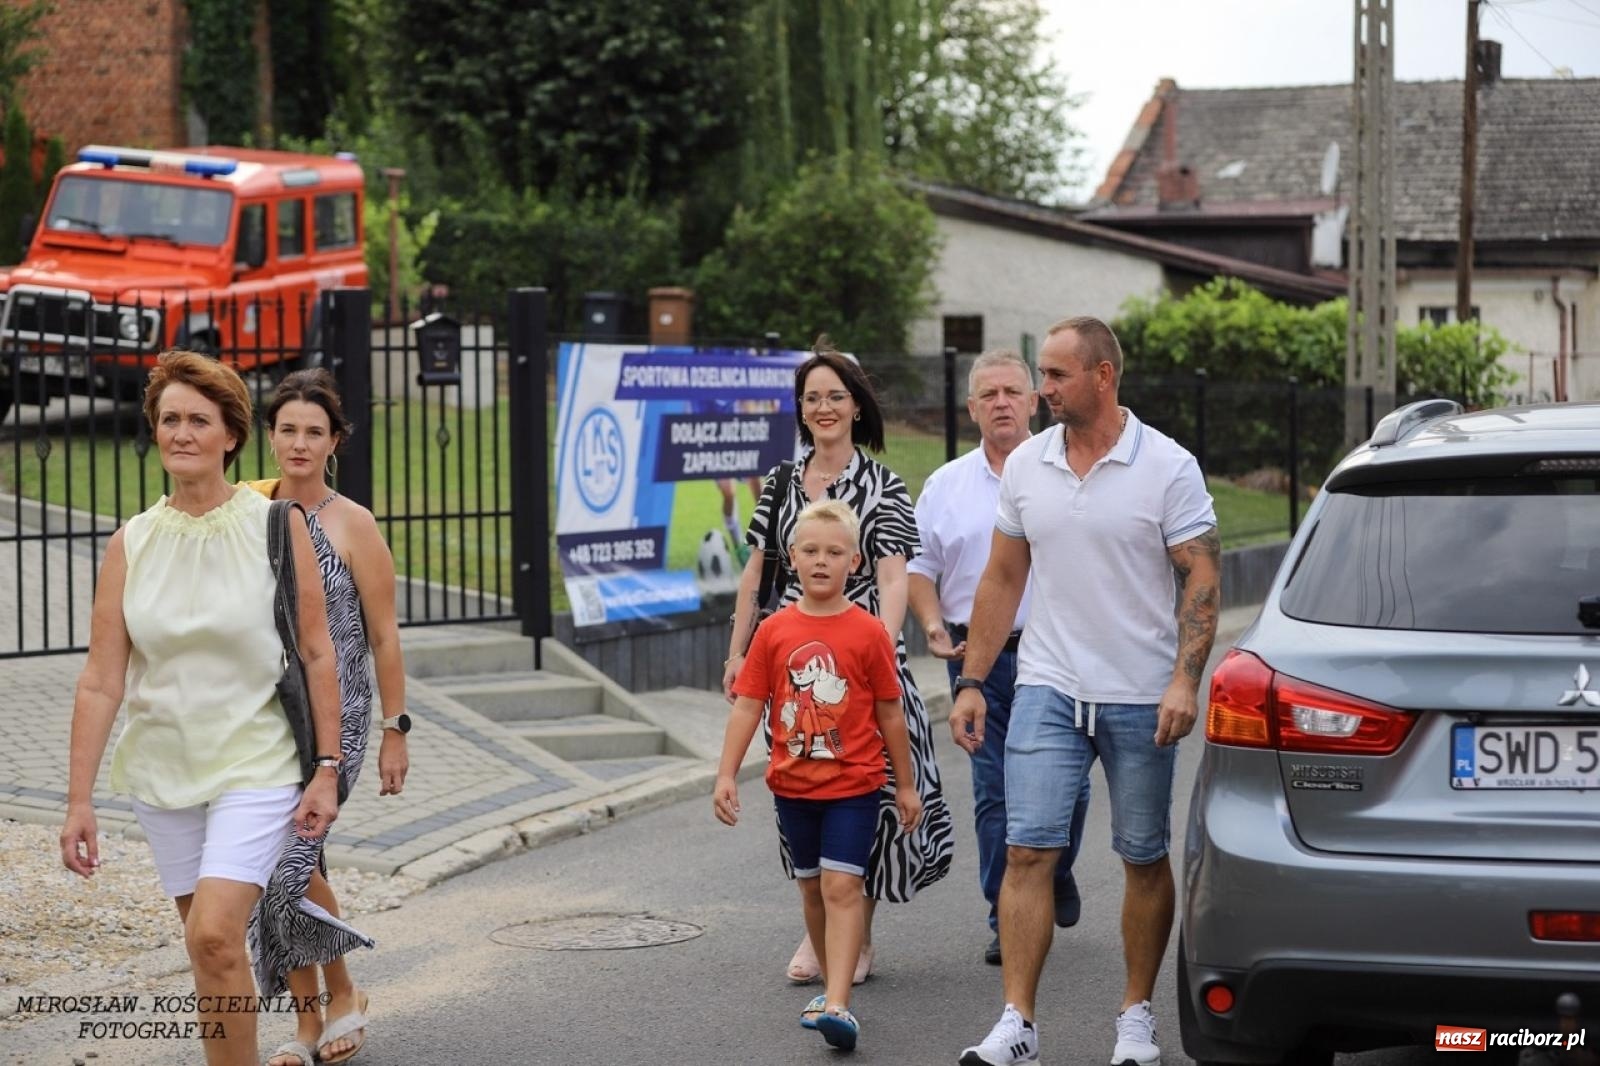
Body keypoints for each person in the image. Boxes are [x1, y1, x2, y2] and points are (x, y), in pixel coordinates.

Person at [59, 350, 344, 1066]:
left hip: (256, 760)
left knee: (215, 935)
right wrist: (78, 799)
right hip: (163, 768)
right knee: (208, 953)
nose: (181, 432)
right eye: (169, 419)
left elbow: (317, 654)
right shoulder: (132, 542)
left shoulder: (276, 526)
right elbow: (100, 680)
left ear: (231, 435)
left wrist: (329, 768)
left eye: (198, 420)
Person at [953, 317, 1220, 1066]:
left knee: (1142, 854)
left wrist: (1183, 680)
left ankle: (1135, 1018)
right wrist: (972, 680)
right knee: (1027, 850)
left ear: (1103, 376)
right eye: (1041, 373)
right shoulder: (1028, 466)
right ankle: (1017, 1024)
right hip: (1048, 684)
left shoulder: (1167, 466)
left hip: (1140, 691)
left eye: (1057, 375)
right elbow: (1003, 578)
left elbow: (1200, 574)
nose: (1043, 389)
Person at [723, 337, 953, 986]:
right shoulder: (779, 483)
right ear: (800, 410)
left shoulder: (884, 485)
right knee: (803, 789)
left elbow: (893, 578)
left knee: (872, 796)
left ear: (856, 407)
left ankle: (859, 929)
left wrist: (869, 655)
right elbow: (753, 577)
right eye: (812, 398)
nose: (823, 407)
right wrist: (738, 652)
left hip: (864, 660)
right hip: (793, 665)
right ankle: (820, 918)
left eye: (835, 397)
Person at [715, 499, 923, 1052]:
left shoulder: (870, 633)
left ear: (855, 562)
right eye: (810, 551)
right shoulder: (775, 631)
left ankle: (838, 1004)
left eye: (834, 552)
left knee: (841, 886)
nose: (822, 560)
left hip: (855, 787)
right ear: (793, 558)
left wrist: (904, 785)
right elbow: (747, 706)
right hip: (792, 789)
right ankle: (831, 991)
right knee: (810, 888)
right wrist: (726, 775)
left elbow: (889, 714)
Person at [905, 348, 1090, 968]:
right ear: (972, 408)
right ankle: (1002, 914)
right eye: (989, 395)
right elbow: (920, 568)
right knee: (993, 792)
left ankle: (1054, 869)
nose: (1002, 403)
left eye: (1013, 391)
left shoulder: (1067, 471)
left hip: (1056, 652)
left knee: (1073, 787)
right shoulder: (946, 485)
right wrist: (931, 625)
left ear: (1034, 400)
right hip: (975, 659)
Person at [247, 368, 411, 1066]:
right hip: (258, 712)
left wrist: (394, 732)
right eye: (288, 429)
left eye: (314, 431)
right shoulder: (248, 513)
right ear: (271, 435)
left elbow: (384, 638)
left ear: (335, 441)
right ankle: (314, 1015)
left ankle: (335, 997)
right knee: (270, 859)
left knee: (291, 857)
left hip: (336, 716)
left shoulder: (353, 523)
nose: (299, 443)